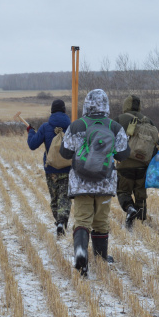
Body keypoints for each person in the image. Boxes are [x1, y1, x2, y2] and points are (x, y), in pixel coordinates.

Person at [59, 89, 130, 275]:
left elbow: (65, 153)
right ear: (106, 104)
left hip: (81, 184)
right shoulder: (114, 127)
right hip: (105, 183)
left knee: (82, 219)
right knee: (101, 221)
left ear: (87, 104)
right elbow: (123, 154)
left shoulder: (76, 125)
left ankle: (81, 253)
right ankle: (100, 257)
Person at [114, 94, 159, 228]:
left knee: (123, 191)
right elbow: (157, 144)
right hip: (143, 166)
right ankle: (141, 222)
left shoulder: (120, 119)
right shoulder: (148, 121)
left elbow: (110, 140)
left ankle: (130, 208)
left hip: (124, 164)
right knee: (141, 195)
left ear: (125, 106)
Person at [26, 99, 72, 236]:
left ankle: (58, 221)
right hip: (68, 169)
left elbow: (33, 145)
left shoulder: (45, 127)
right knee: (65, 198)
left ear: (51, 111)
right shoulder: (71, 127)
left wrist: (31, 132)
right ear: (64, 110)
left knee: (54, 198)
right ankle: (62, 222)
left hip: (51, 169)